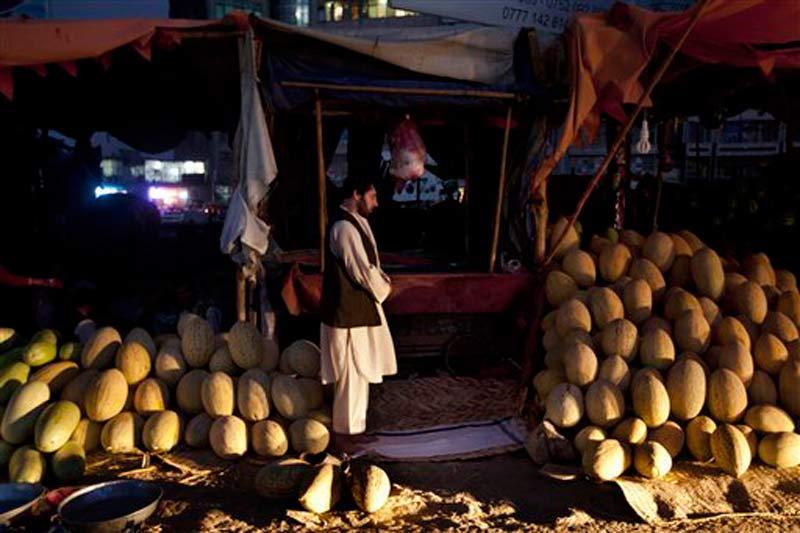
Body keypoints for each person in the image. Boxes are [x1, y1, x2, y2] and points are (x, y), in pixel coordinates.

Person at [319, 176, 397, 440]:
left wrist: (381, 279)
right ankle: (347, 434)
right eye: (372, 196)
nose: (375, 203)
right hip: (348, 315)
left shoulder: (356, 224)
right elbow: (362, 271)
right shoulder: (344, 227)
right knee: (352, 372)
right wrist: (384, 287)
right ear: (356, 194)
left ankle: (355, 429)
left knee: (359, 371)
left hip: (356, 313)